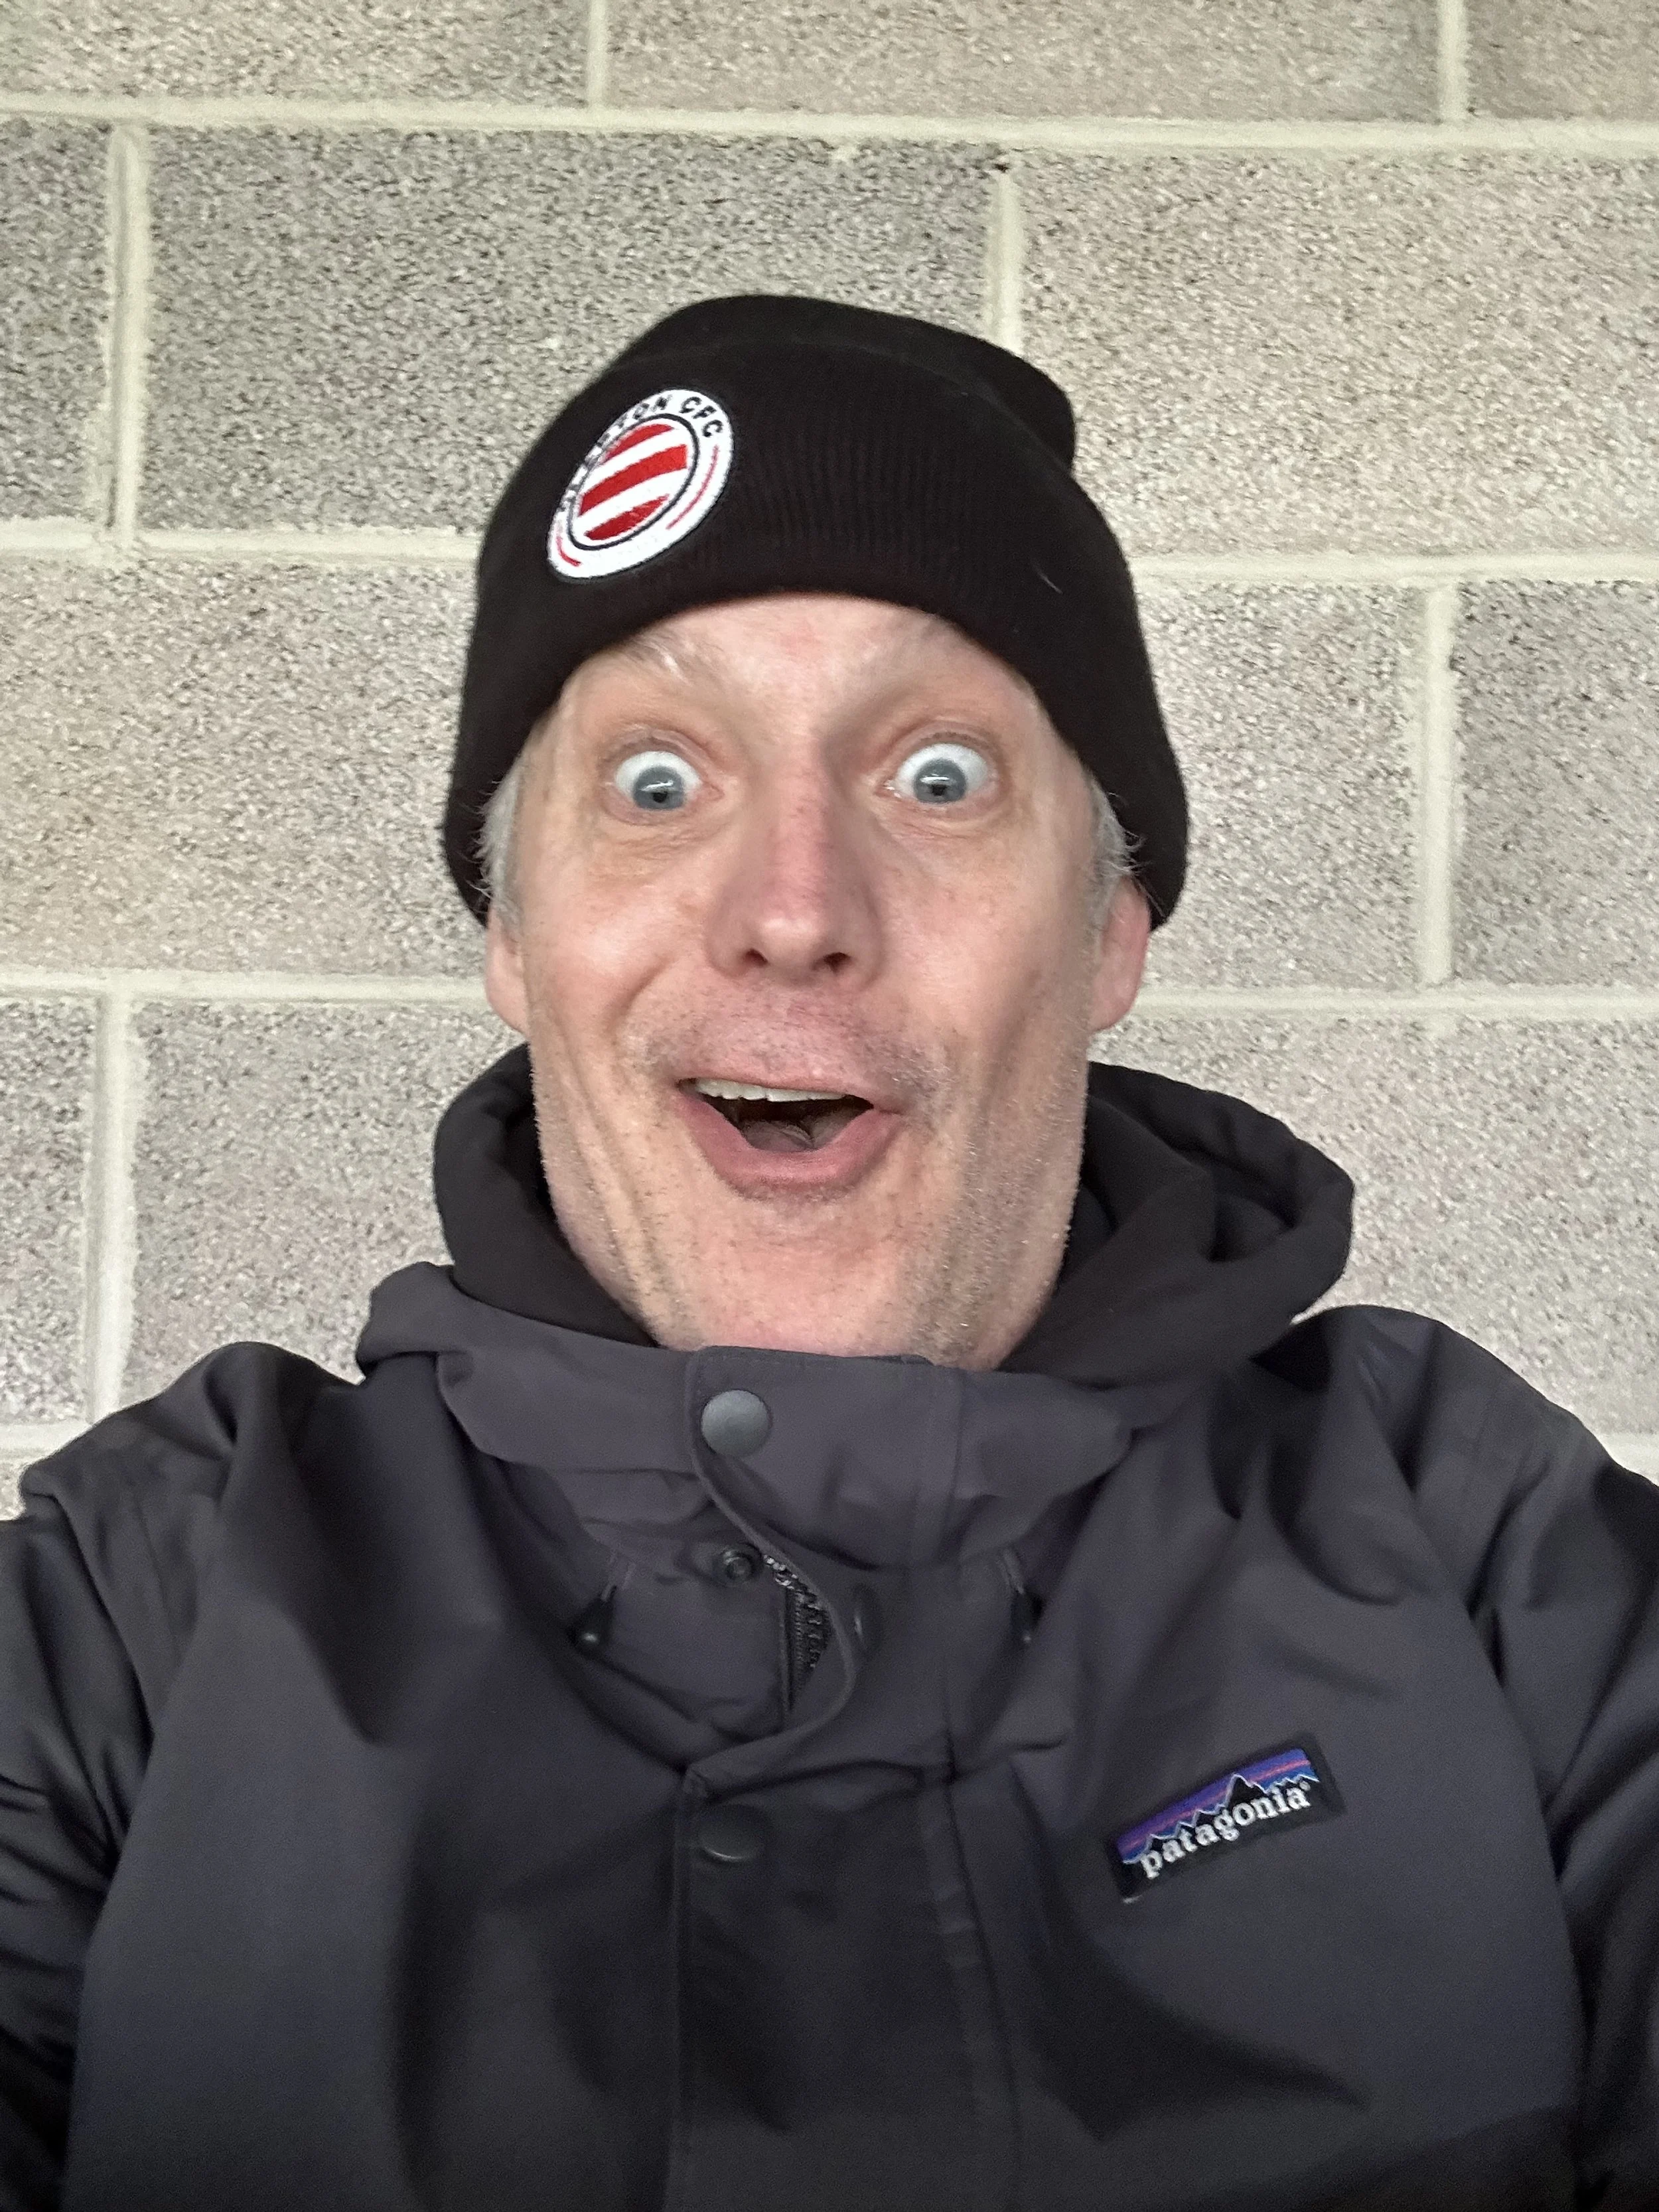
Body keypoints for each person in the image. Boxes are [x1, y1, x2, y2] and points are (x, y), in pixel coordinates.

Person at [0, 293, 1652, 2212]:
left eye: (938, 776)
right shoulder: (145, 1615)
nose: (792, 908)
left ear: (1109, 929)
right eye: (655, 782)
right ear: (514, 936)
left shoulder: (1475, 1552)